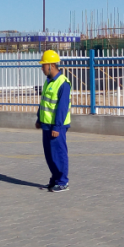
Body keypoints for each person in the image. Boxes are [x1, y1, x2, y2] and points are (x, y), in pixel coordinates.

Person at [35, 50, 71, 193]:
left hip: (57, 126)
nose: (42, 68)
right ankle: (55, 180)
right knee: (50, 155)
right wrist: (39, 119)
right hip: (46, 124)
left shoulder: (63, 83)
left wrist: (57, 126)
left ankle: (63, 182)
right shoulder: (49, 82)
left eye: (43, 65)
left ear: (51, 65)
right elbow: (44, 102)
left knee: (59, 154)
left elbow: (62, 107)